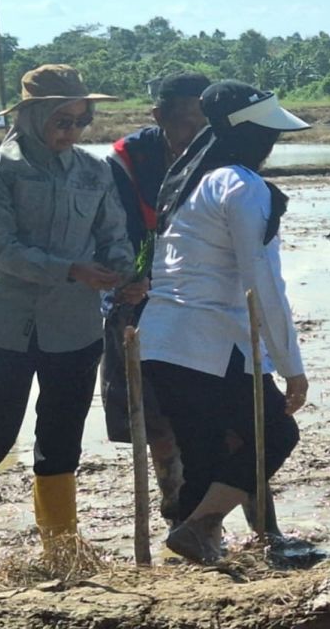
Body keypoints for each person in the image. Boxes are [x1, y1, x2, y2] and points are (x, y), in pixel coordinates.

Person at [138, 80, 309, 563]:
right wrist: (290, 364)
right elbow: (263, 283)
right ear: (251, 136)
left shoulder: (190, 179)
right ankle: (202, 526)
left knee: (203, 457)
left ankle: (196, 551)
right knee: (276, 434)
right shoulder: (241, 185)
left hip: (162, 343)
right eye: (269, 136)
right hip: (210, 346)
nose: (273, 145)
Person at [0, 64, 136, 556]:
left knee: (62, 435)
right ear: (29, 118)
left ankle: (61, 547)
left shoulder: (95, 170)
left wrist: (125, 275)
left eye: (80, 121)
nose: (71, 132)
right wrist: (72, 270)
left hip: (75, 326)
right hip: (5, 325)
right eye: (61, 121)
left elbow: (113, 236)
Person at [100, 71, 209, 526]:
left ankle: (219, 514)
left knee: (211, 416)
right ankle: (176, 512)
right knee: (155, 418)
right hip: (137, 297)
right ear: (158, 116)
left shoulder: (217, 155)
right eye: (183, 122)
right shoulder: (127, 161)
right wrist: (133, 277)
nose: (192, 134)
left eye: (202, 123)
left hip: (198, 298)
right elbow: (114, 231)